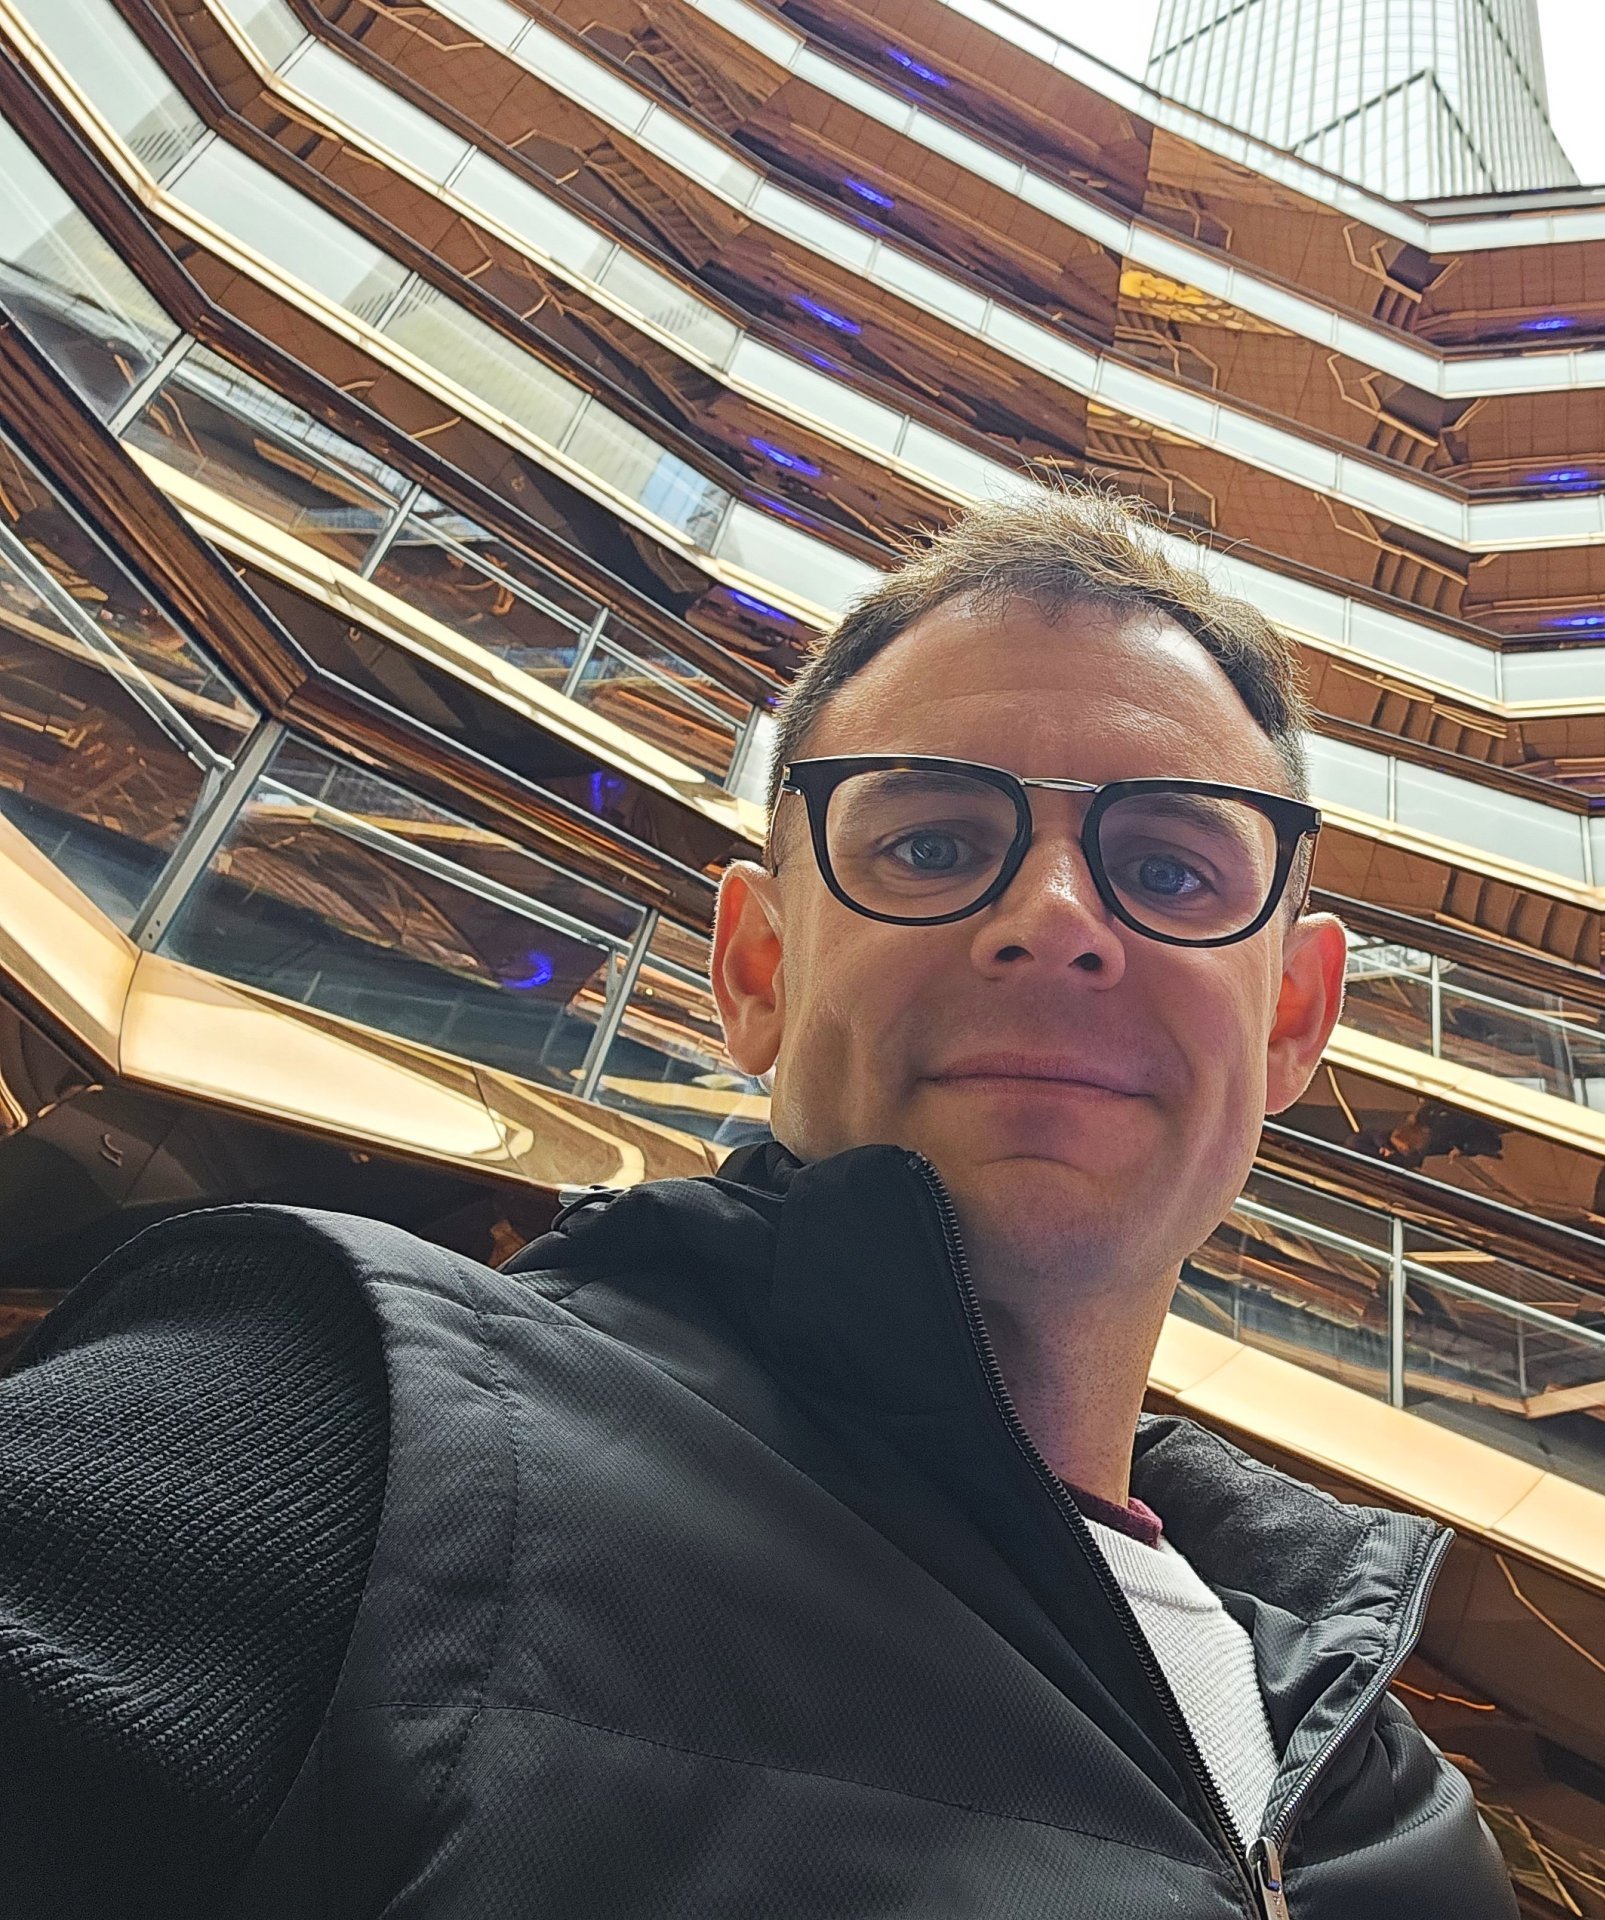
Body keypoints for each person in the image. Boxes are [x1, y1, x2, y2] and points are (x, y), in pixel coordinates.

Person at [0, 488, 1519, 1918]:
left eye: (1173, 873)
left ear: (1293, 1018)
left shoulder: (1397, 1802)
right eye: (934, 845)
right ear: (757, 972)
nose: (1055, 920)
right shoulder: (335, 1428)